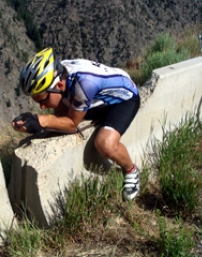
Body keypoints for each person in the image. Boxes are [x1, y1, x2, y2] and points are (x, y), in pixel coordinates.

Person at [12, 48, 141, 201]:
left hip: (125, 99)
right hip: (99, 97)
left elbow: (72, 124)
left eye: (43, 100)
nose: (42, 106)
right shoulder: (61, 75)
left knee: (105, 144)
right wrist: (36, 123)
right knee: (59, 113)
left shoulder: (84, 84)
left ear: (58, 85)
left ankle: (131, 171)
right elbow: (60, 116)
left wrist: (42, 120)